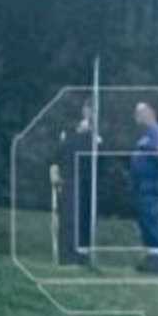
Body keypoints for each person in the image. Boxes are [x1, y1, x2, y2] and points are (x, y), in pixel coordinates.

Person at [131, 101, 158, 274]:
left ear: (150, 113)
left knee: (150, 217)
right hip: (141, 184)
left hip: (151, 184)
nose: (137, 116)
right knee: (144, 220)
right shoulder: (145, 134)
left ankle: (157, 258)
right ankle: (150, 257)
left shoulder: (156, 131)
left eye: (140, 113)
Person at [57, 101, 98, 265]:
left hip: (89, 182)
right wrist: (79, 133)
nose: (90, 114)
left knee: (85, 218)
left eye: (93, 111)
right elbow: (61, 152)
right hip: (72, 179)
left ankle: (83, 253)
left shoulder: (96, 135)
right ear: (83, 111)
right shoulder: (71, 131)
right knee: (69, 216)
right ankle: (67, 254)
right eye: (88, 110)